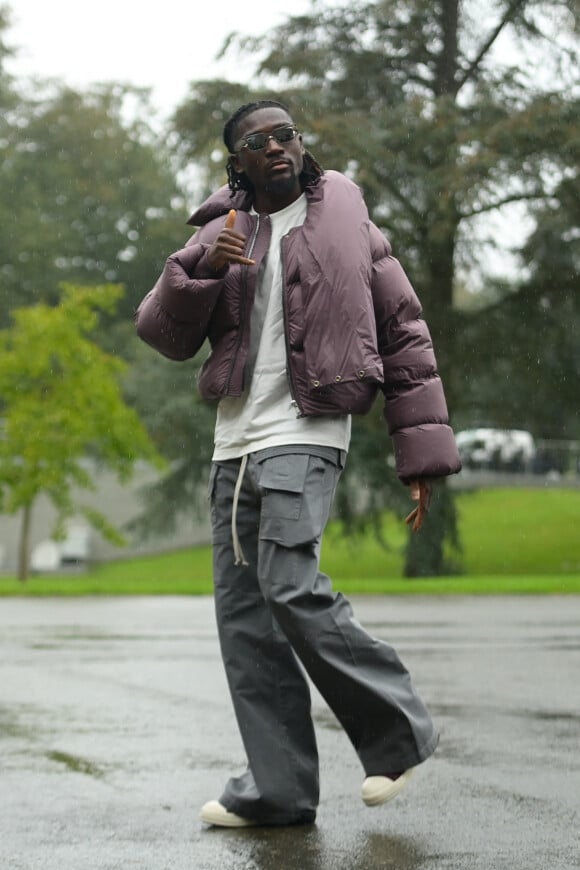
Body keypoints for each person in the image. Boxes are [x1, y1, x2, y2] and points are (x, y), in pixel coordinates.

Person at [135, 98, 461, 828]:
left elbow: (404, 331)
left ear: (300, 145)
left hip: (307, 431)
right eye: (257, 140)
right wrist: (200, 273)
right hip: (234, 444)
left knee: (288, 583)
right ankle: (277, 791)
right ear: (237, 162)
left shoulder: (347, 218)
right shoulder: (224, 230)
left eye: (286, 135)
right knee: (245, 620)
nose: (276, 146)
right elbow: (160, 331)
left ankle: (397, 732)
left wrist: (421, 452)